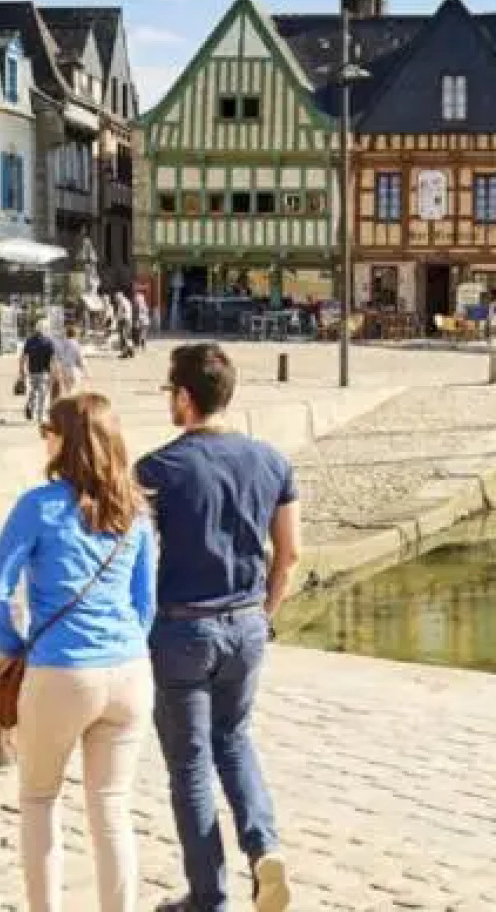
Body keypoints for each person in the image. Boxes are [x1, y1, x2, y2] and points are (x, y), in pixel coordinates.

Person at [0, 393, 156, 912]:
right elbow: (145, 603)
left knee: (38, 800)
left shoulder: (39, 506)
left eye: (47, 431)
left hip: (62, 668)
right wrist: (123, 646)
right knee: (112, 808)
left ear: (65, 440)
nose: (44, 440)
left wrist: (16, 649)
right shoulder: (136, 510)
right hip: (127, 671)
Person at [136, 343, 298, 912]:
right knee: (235, 741)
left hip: (182, 629)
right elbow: (290, 553)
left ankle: (209, 897)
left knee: (191, 765)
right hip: (247, 623)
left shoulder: (157, 469)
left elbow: (132, 556)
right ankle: (265, 847)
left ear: (184, 397)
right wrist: (264, 613)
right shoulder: (272, 462)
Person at [20, 326, 56, 424]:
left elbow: (23, 356)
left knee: (33, 391)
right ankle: (40, 416)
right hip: (44, 372)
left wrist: (22, 369)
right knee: (43, 394)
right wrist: (53, 373)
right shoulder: (48, 342)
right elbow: (52, 359)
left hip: (32, 371)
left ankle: (30, 405)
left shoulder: (30, 341)